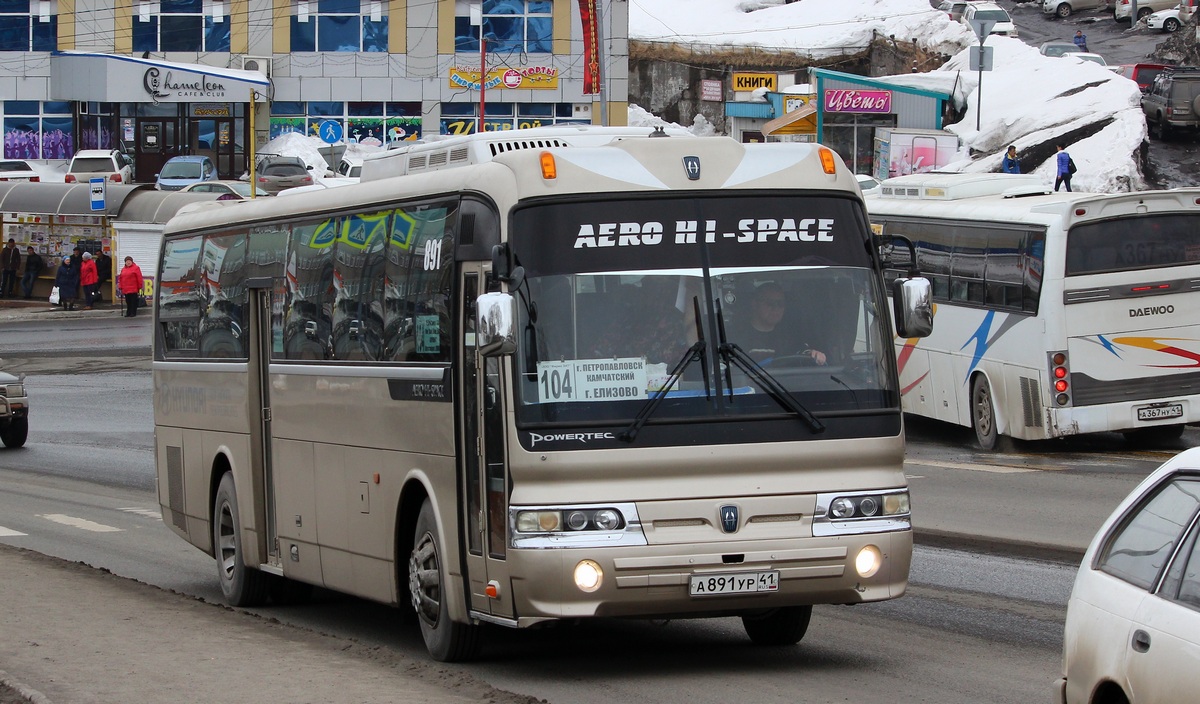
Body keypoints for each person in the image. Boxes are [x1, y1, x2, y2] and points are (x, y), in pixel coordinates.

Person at [733, 282, 826, 365]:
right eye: (770, 303)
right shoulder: (737, 337)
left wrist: (815, 355)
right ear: (754, 304)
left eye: (780, 303)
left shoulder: (791, 336)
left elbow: (803, 353)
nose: (776, 308)